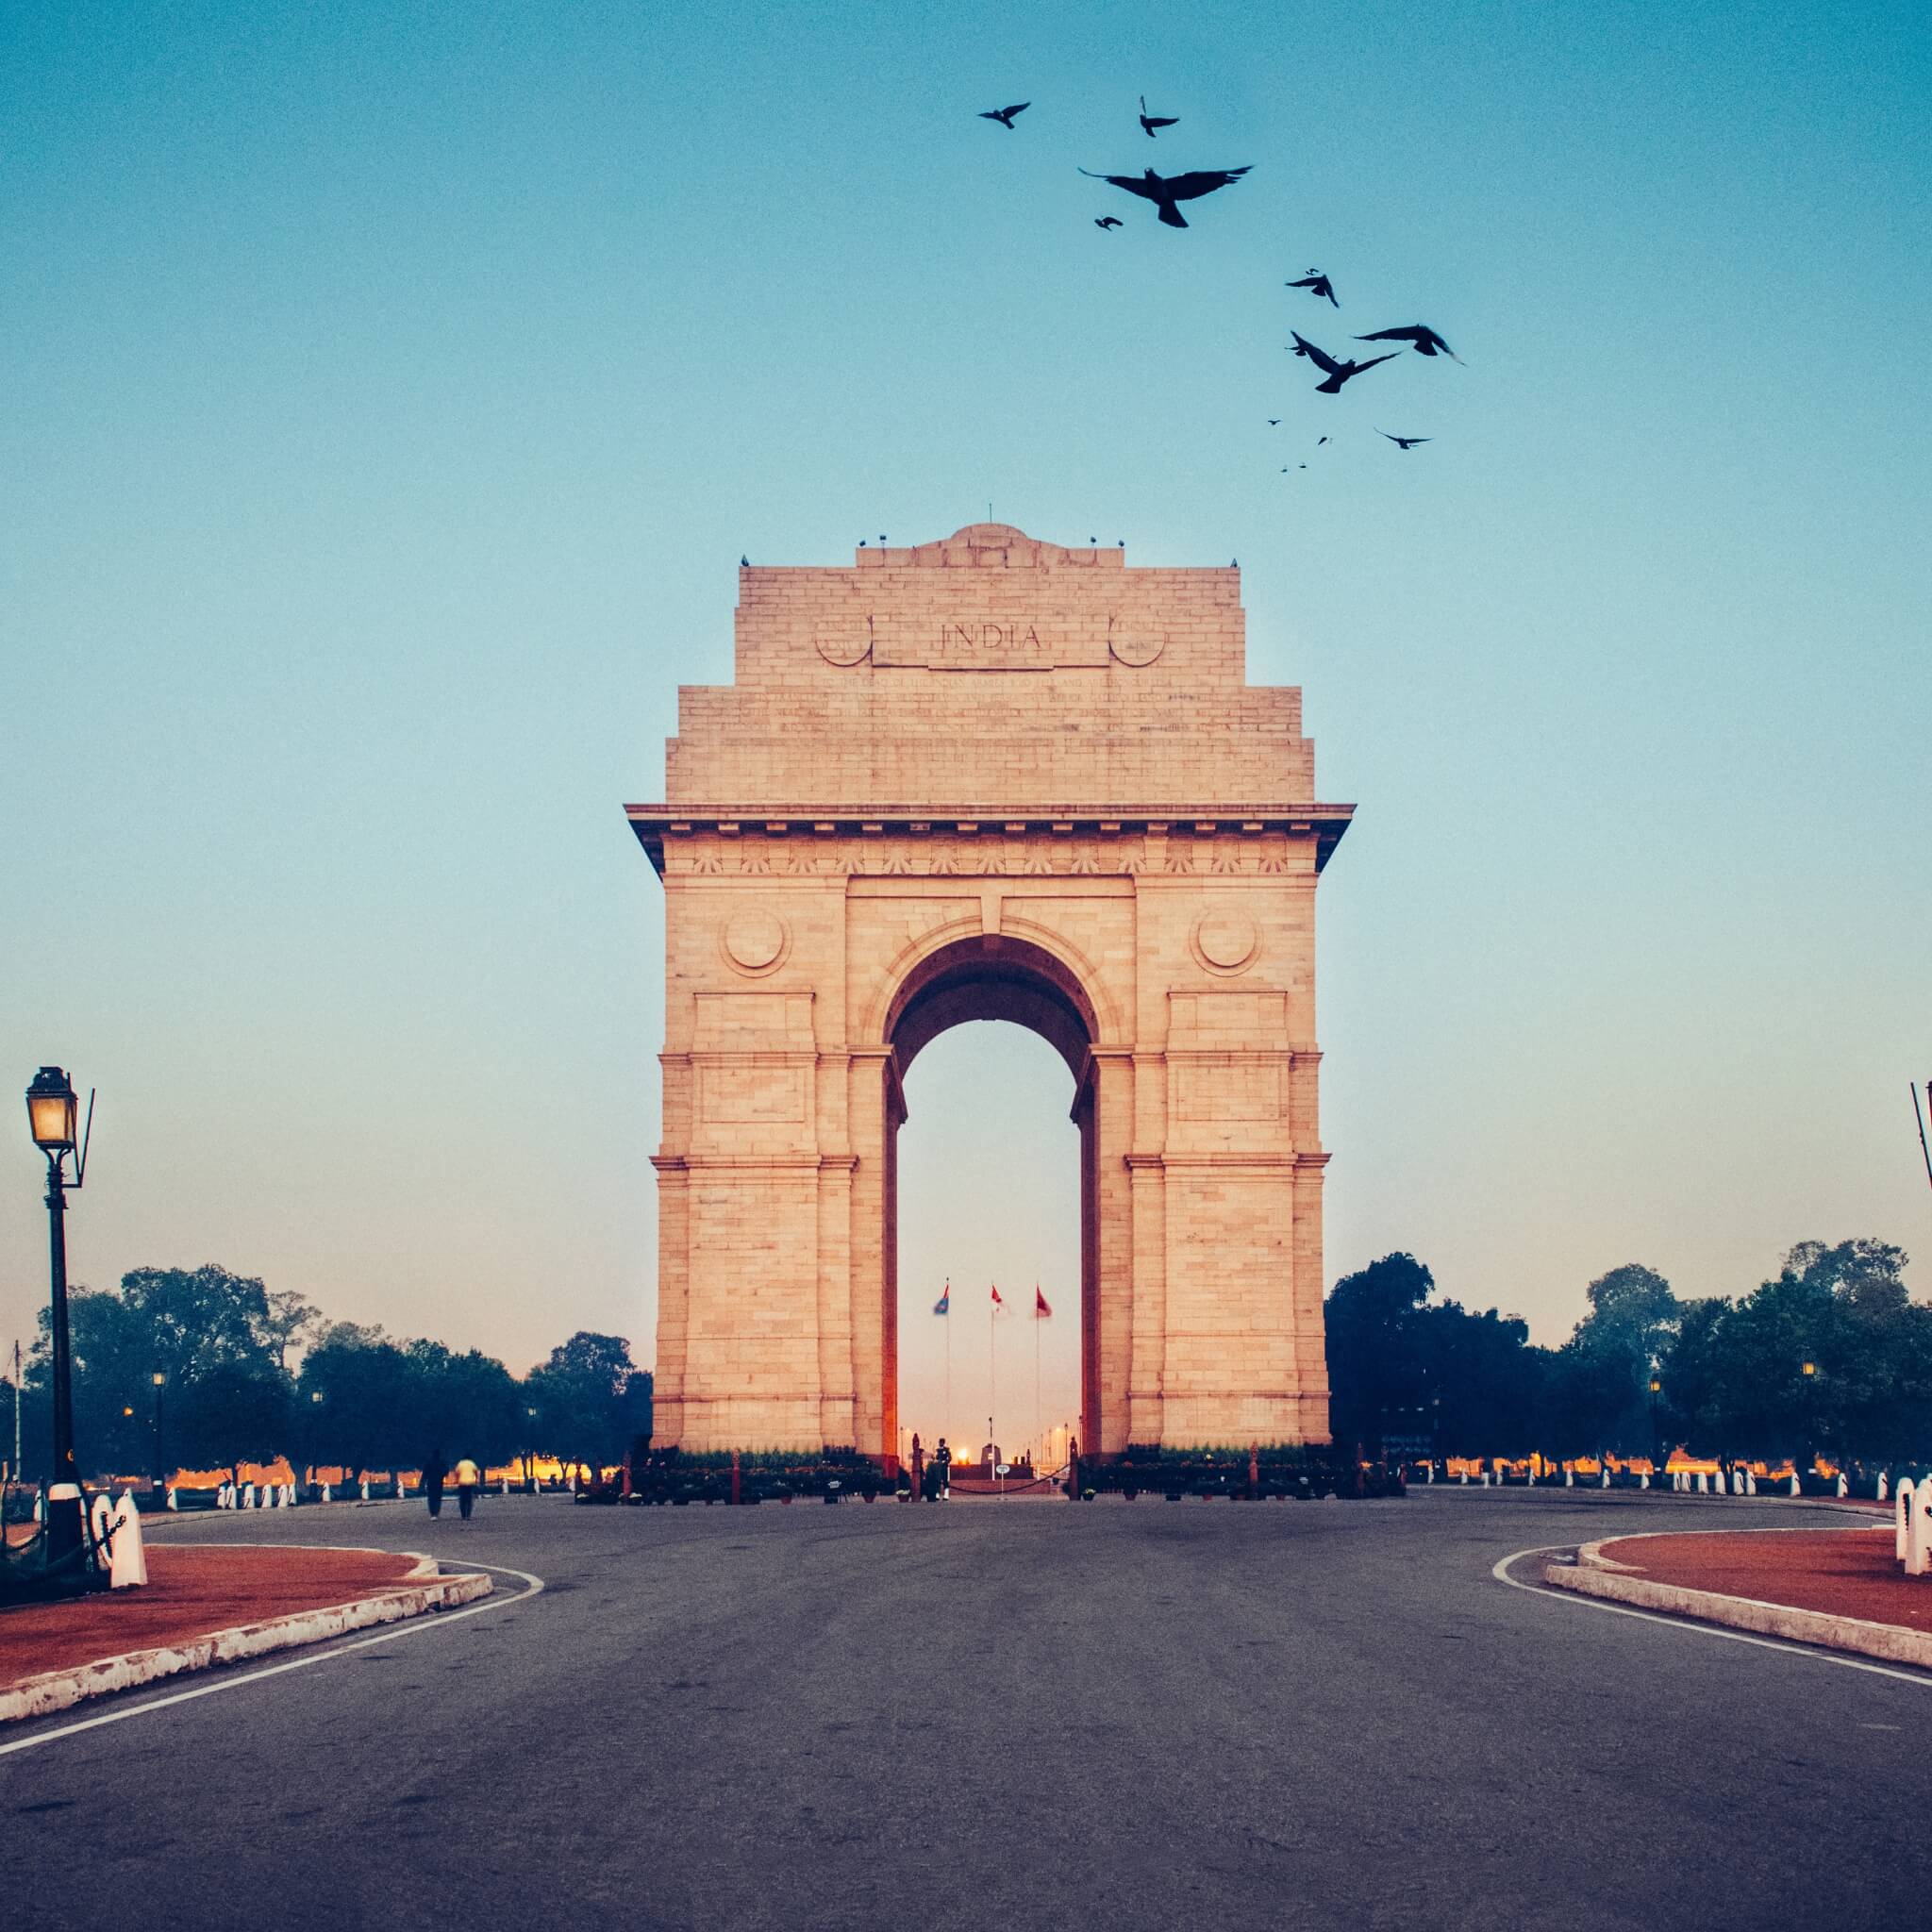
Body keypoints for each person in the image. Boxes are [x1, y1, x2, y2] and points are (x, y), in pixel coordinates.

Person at [451, 1454, 481, 1520]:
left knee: (462, 1500)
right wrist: (476, 1479)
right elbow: (476, 1471)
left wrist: (457, 1480)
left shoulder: (460, 1463)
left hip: (462, 1483)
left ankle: (463, 1515)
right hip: (470, 1483)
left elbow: (457, 1472)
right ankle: (468, 1515)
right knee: (469, 1500)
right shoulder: (472, 1463)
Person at [424, 1448, 446, 1520]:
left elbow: (424, 1473)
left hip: (430, 1482)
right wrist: (442, 1475)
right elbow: (446, 1471)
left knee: (431, 1499)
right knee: (438, 1498)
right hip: (439, 1482)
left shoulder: (428, 1462)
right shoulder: (442, 1462)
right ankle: (436, 1512)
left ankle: (433, 1514)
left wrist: (421, 1484)